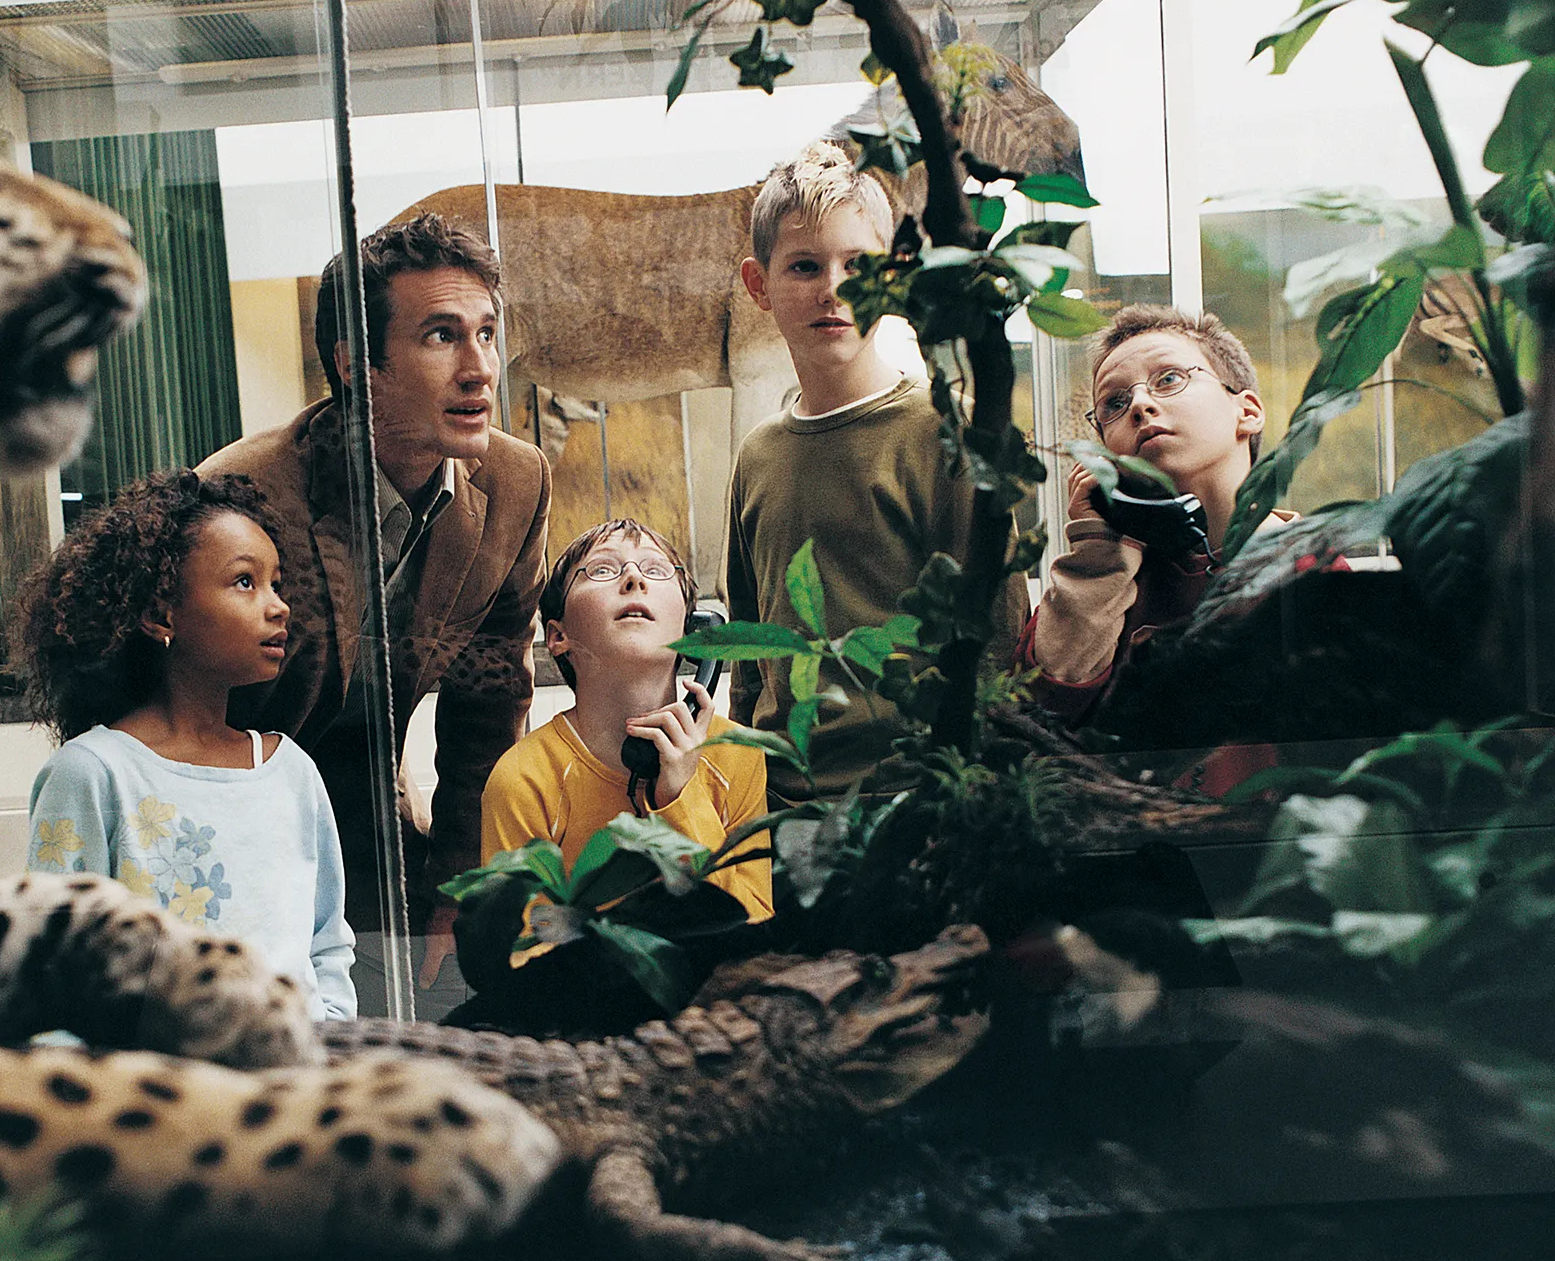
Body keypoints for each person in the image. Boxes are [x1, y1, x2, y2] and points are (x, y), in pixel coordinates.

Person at [198, 213, 551, 1003]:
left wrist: (462, 885)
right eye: (440, 337)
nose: (480, 369)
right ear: (358, 365)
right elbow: (175, 711)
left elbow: (491, 702)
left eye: (487, 334)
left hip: (380, 816)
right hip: (236, 819)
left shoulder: (514, 482)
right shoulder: (245, 494)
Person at [724, 140, 1028, 800]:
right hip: (781, 804)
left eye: (857, 264)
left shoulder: (950, 433)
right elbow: (749, 654)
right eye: (805, 266)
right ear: (759, 285)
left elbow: (996, 642)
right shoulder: (756, 456)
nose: (833, 289)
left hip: (913, 800)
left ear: (893, 273)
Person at [15, 469, 356, 1021]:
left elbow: (327, 942)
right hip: (165, 1095)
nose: (278, 606)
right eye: (245, 582)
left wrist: (333, 1039)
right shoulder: (94, 774)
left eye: (277, 583)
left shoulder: (290, 771)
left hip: (297, 1083)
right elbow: (55, 965)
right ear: (160, 614)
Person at [482, 520, 773, 921]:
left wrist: (683, 797)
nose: (634, 577)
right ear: (557, 635)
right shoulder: (524, 780)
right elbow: (517, 955)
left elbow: (752, 932)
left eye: (656, 570)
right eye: (602, 569)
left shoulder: (736, 755)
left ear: (695, 630)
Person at [1019, 304, 1268, 725]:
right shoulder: (1108, 582)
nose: (1139, 404)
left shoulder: (1308, 561)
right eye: (1113, 404)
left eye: (1169, 379)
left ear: (1246, 412)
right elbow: (1041, 708)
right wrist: (1097, 551)